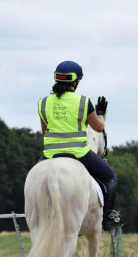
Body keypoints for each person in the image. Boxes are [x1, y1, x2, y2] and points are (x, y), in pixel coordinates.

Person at [36, 61, 122, 231]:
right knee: (110, 178)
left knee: (33, 181)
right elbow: (98, 128)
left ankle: (34, 216)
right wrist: (99, 115)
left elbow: (44, 131)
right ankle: (108, 218)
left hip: (50, 154)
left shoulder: (43, 103)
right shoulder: (84, 101)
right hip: (78, 153)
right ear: (76, 82)